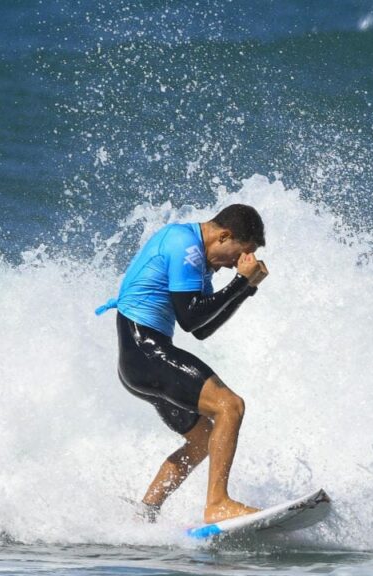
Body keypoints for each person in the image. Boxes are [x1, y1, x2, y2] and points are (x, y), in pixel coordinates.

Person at [95, 204, 269, 524]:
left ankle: (144, 513)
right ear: (223, 236)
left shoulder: (200, 262)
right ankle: (217, 503)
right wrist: (241, 283)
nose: (235, 264)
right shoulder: (184, 244)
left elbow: (203, 329)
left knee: (203, 440)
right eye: (239, 253)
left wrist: (246, 288)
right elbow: (190, 318)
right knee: (230, 406)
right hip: (145, 351)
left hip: (139, 359)